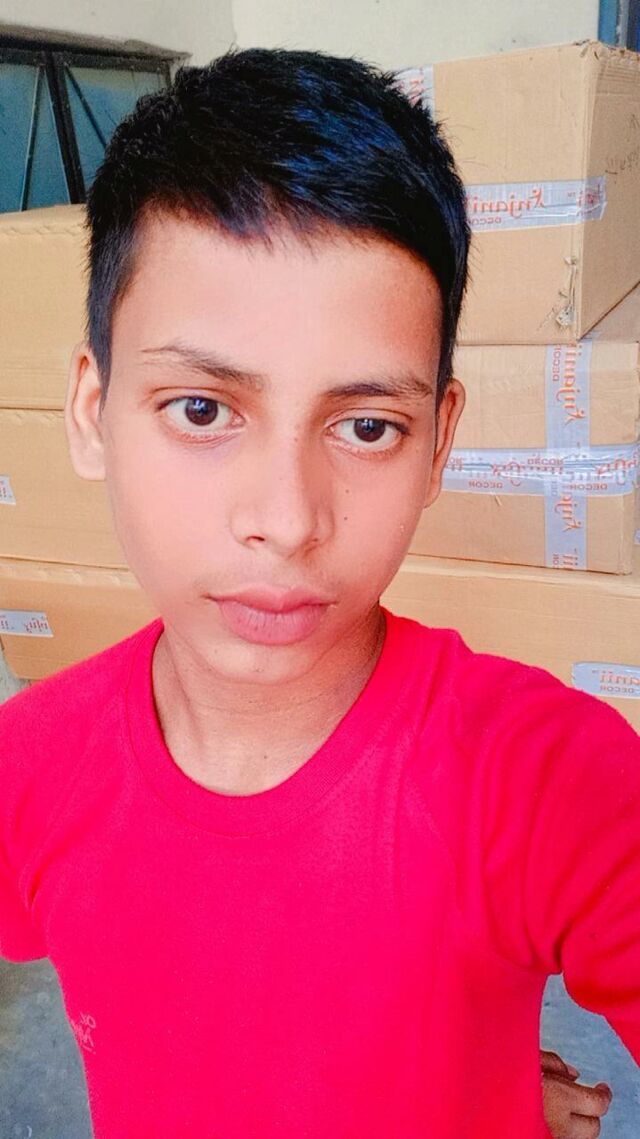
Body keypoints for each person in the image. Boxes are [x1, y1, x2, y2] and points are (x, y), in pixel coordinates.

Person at [0, 47, 636, 1139]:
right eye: (203, 409)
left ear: (438, 443)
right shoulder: (28, 771)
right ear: (92, 409)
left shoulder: (544, 780)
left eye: (366, 425)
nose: (288, 520)